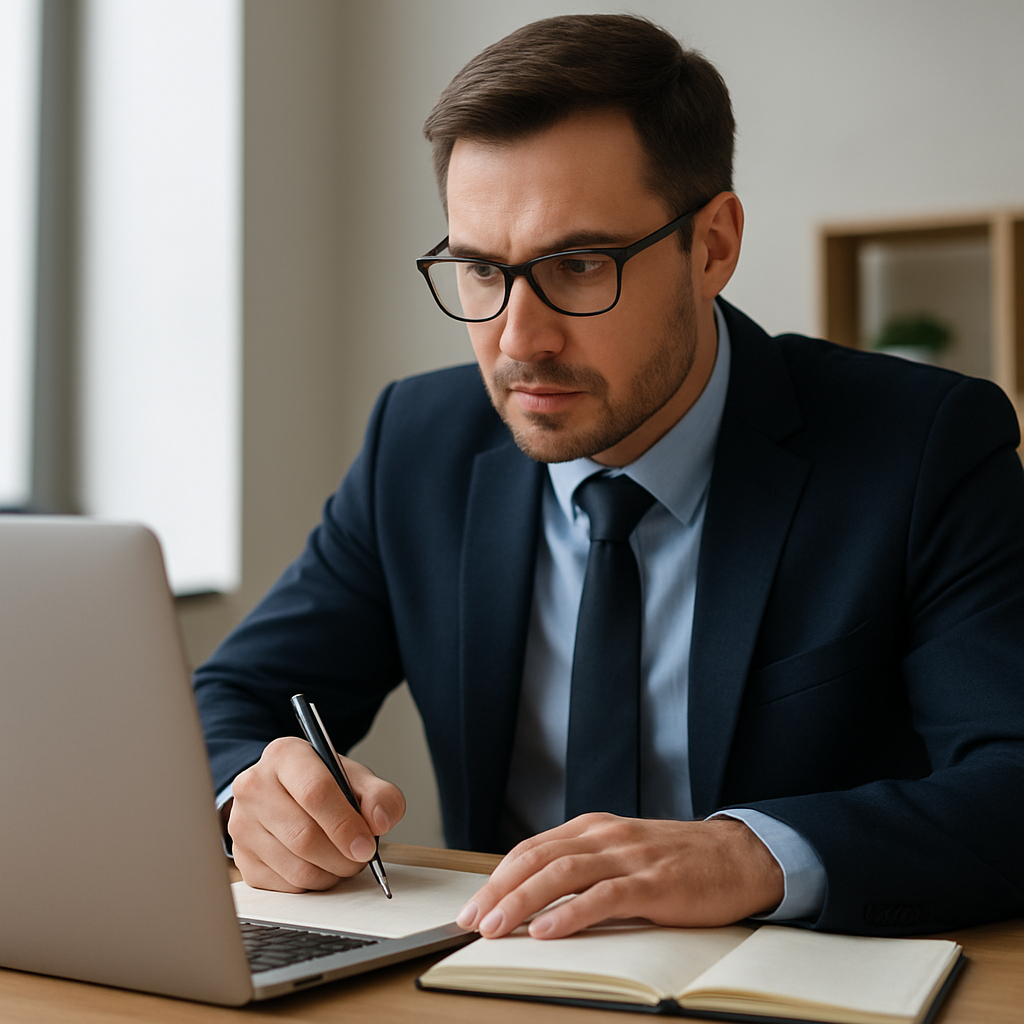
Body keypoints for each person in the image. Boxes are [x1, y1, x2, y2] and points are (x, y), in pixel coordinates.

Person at [193, 14, 1024, 940]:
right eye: (479, 270)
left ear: (712, 246)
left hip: (785, 978)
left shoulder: (923, 446)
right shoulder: (418, 445)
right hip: (490, 973)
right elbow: (223, 700)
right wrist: (251, 794)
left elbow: (1013, 776)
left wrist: (751, 854)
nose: (519, 339)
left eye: (580, 265)